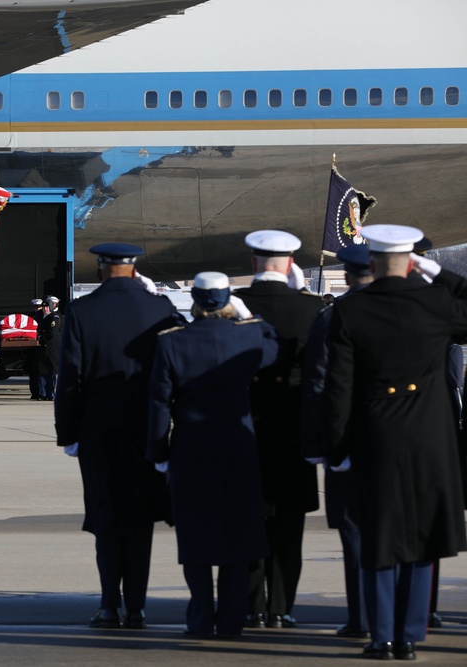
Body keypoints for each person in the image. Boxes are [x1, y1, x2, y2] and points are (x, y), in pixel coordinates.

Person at [324, 224, 467, 660]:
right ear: (411, 261)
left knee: (379, 534)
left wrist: (337, 448)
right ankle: (409, 635)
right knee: (422, 537)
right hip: (429, 435)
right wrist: (441, 275)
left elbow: (338, 388)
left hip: (376, 432)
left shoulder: (351, 311)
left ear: (371, 264)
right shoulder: (437, 303)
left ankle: (381, 635)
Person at [55, 243, 183, 630]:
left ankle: (110, 604)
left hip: (99, 429)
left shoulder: (82, 311)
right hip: (148, 428)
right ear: (134, 268)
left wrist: (68, 433)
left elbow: (70, 380)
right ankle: (139, 606)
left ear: (100, 270)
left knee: (107, 515)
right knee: (140, 518)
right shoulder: (161, 309)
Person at [148, 271, 278, 639]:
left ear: (196, 300)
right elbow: (273, 345)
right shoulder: (248, 334)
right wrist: (247, 314)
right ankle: (233, 619)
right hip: (238, 448)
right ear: (225, 300)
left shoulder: (172, 342)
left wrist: (158, 450)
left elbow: (159, 403)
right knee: (237, 537)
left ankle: (201, 618)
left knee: (196, 537)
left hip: (191, 448)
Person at [234, 229, 323, 629]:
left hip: (244, 430)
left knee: (246, 525)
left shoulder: (237, 306)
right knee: (289, 529)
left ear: (253, 263)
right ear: (290, 265)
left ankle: (251, 605)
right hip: (293, 431)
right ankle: (282, 607)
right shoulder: (313, 307)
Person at [300, 243, 375, 639]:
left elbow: (318, 384)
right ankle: (410, 617)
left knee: (355, 530)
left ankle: (362, 618)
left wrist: (318, 443)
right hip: (404, 440)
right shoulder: (411, 310)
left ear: (347, 276)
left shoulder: (333, 317)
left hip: (347, 439)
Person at [36, 295, 62, 401]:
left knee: (51, 372)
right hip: (43, 349)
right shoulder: (43, 317)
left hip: (52, 349)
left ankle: (51, 393)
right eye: (43, 307)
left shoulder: (54, 317)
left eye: (47, 307)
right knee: (43, 371)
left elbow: (52, 333)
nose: (45, 309)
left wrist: (41, 337)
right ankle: (43, 393)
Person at [27, 297, 46, 400]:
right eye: (36, 307)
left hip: (40, 347)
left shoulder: (44, 317)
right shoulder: (31, 316)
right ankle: (35, 392)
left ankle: (40, 392)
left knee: (40, 372)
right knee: (32, 372)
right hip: (32, 348)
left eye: (39, 307)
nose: (37, 309)